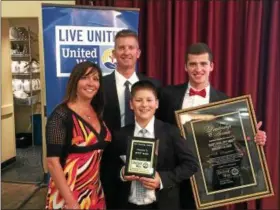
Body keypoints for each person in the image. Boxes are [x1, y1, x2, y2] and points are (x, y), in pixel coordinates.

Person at [157, 42, 267, 209]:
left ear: (211, 66)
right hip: (175, 177)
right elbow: (157, 129)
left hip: (209, 181)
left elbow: (235, 142)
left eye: (203, 64)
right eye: (193, 64)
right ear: (186, 67)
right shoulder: (167, 95)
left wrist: (254, 138)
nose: (198, 69)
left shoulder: (224, 102)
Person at [111, 80, 199, 209]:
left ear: (156, 104)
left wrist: (162, 179)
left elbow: (191, 164)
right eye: (139, 100)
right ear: (131, 104)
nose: (144, 104)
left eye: (149, 100)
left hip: (162, 204)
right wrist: (122, 173)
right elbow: (108, 168)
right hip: (128, 205)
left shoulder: (170, 132)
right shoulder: (120, 135)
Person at [101, 29, 161, 208]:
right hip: (111, 162)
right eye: (121, 48)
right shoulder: (99, 85)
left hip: (148, 163)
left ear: (138, 52)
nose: (126, 52)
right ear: (113, 54)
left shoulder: (154, 85)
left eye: (131, 47)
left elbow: (161, 123)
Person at [45, 61, 111, 209]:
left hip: (95, 192)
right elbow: (52, 162)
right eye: (85, 77)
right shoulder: (61, 115)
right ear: (75, 81)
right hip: (68, 195)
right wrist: (70, 201)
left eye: (95, 79)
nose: (91, 83)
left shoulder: (97, 111)